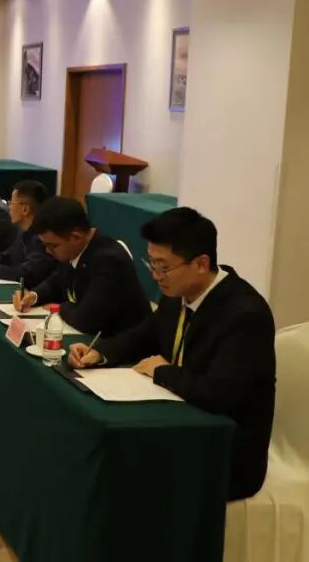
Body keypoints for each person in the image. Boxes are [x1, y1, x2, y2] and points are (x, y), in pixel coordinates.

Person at [68, 207, 275, 501]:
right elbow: (143, 336)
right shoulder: (177, 294)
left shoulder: (245, 315)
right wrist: (99, 352)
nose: (155, 276)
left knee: (119, 472)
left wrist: (161, 371)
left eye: (163, 267)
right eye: (151, 263)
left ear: (201, 264)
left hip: (224, 452)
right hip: (179, 420)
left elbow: (216, 394)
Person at [14, 196, 150, 336]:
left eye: (52, 246)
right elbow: (56, 282)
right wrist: (33, 296)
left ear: (76, 237)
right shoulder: (74, 249)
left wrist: (60, 308)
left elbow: (87, 321)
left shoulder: (109, 261)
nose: (48, 251)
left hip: (121, 342)